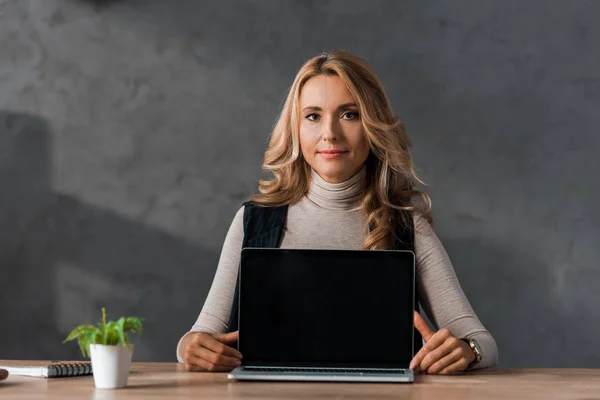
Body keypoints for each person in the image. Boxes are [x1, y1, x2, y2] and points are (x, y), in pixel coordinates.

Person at [177, 50, 499, 375]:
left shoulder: (407, 226)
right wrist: (189, 347)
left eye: (349, 114)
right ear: (296, 129)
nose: (329, 132)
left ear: (372, 126)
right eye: (313, 116)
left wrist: (467, 351)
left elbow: (483, 343)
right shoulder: (253, 221)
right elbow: (198, 337)